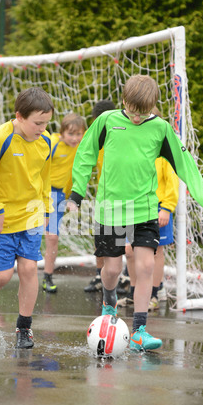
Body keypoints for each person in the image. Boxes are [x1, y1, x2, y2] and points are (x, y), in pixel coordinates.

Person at [68, 74, 203, 351]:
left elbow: (185, 164)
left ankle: (139, 330)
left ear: (153, 106)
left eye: (144, 113)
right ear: (123, 100)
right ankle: (109, 301)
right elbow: (85, 154)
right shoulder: (107, 121)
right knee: (112, 269)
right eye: (132, 111)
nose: (137, 118)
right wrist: (77, 194)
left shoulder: (161, 129)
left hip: (145, 209)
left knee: (147, 266)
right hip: (110, 209)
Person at [0, 87, 54, 349]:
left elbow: (44, 179)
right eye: (37, 123)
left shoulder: (47, 142)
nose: (42, 128)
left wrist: (47, 210)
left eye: (46, 123)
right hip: (1, 219)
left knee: (29, 269)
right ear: (19, 116)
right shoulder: (0, 138)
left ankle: (24, 328)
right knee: (4, 275)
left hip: (30, 216)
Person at [118, 107, 179, 309]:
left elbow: (172, 181)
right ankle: (134, 292)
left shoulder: (163, 151)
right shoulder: (130, 147)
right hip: (132, 206)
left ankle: (154, 293)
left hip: (158, 207)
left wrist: (167, 208)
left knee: (155, 252)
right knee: (129, 250)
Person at [42, 113, 86, 292]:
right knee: (28, 235)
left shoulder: (81, 147)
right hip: (42, 194)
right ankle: (0, 273)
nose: (75, 138)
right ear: (61, 133)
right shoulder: (52, 144)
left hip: (59, 197)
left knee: (53, 238)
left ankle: (47, 277)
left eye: (78, 134)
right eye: (71, 134)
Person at [83, 100, 117, 293]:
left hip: (122, 198)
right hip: (102, 200)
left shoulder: (121, 138)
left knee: (122, 243)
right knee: (100, 240)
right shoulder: (94, 139)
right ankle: (99, 275)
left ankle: (122, 278)